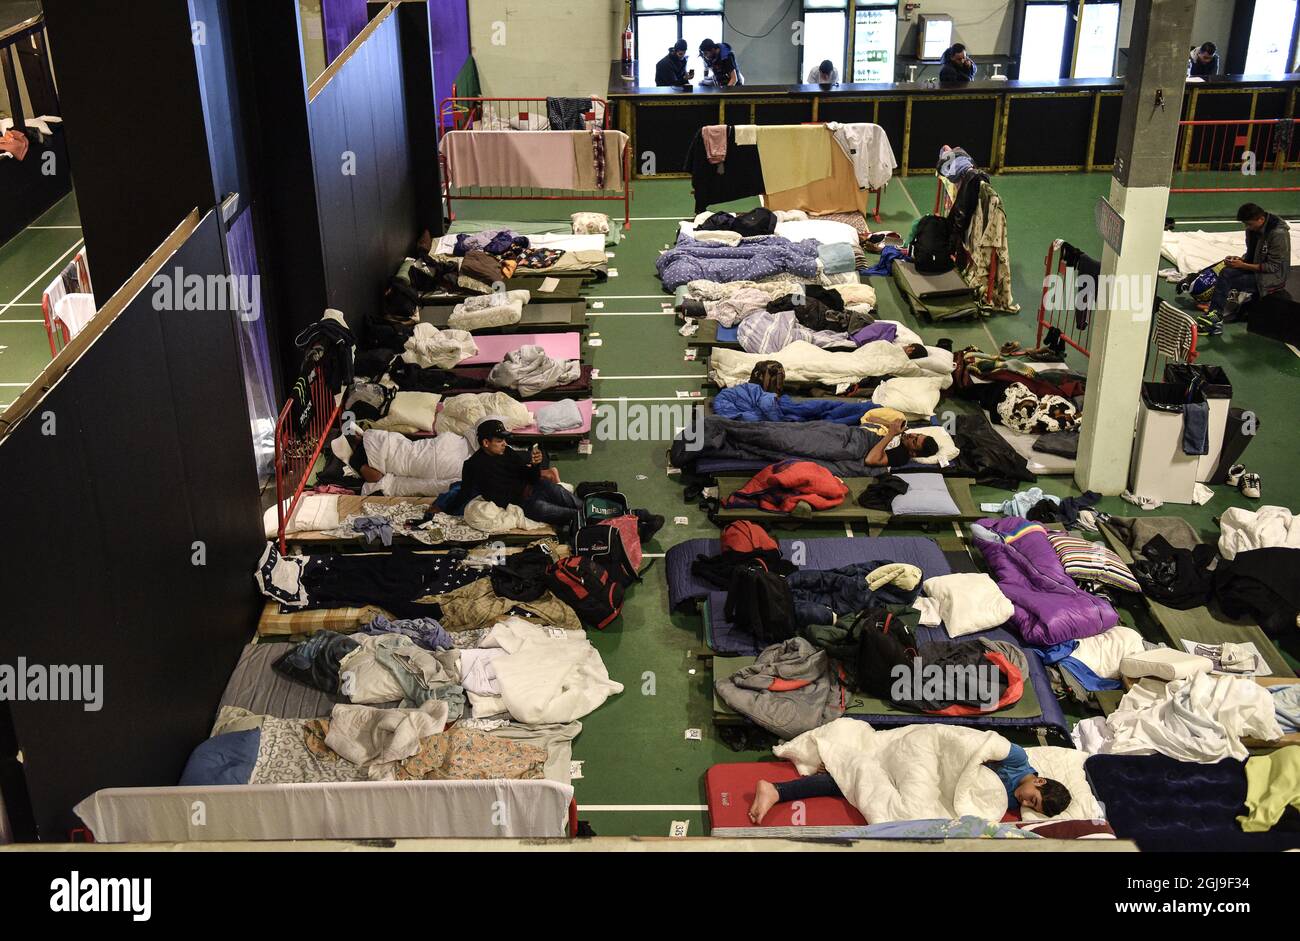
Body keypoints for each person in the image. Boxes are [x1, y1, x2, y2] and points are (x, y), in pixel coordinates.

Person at [748, 742, 1072, 824]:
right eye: (1033, 799)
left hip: (933, 790)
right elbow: (968, 746)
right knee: (857, 774)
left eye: (1033, 808)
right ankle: (778, 790)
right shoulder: (1016, 759)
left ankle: (778, 791)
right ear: (1039, 780)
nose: (1025, 804)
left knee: (867, 790)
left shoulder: (1012, 803)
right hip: (928, 763)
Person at [460, 420, 665, 539]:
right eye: (499, 441)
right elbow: (463, 492)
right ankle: (637, 524)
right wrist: (442, 506)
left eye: (505, 439)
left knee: (587, 506)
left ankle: (636, 517)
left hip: (541, 487)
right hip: (529, 504)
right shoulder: (473, 466)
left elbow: (529, 476)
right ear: (485, 443)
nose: (504, 443)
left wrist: (535, 465)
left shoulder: (509, 453)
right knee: (577, 516)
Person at [1203, 202, 1292, 333]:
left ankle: (1215, 320)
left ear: (1261, 219)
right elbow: (1254, 254)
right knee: (1225, 271)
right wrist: (1240, 259)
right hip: (1258, 272)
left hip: (1271, 279)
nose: (1247, 227)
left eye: (1249, 224)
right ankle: (1215, 315)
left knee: (1227, 277)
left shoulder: (1278, 234)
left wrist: (1243, 265)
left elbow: (1273, 267)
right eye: (1245, 224)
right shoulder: (1253, 229)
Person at [863, 416, 940, 468]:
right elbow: (869, 419)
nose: (912, 435)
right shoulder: (902, 431)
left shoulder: (902, 456)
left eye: (914, 441)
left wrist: (891, 434)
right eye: (917, 434)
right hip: (861, 430)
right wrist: (891, 425)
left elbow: (870, 460)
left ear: (913, 453)